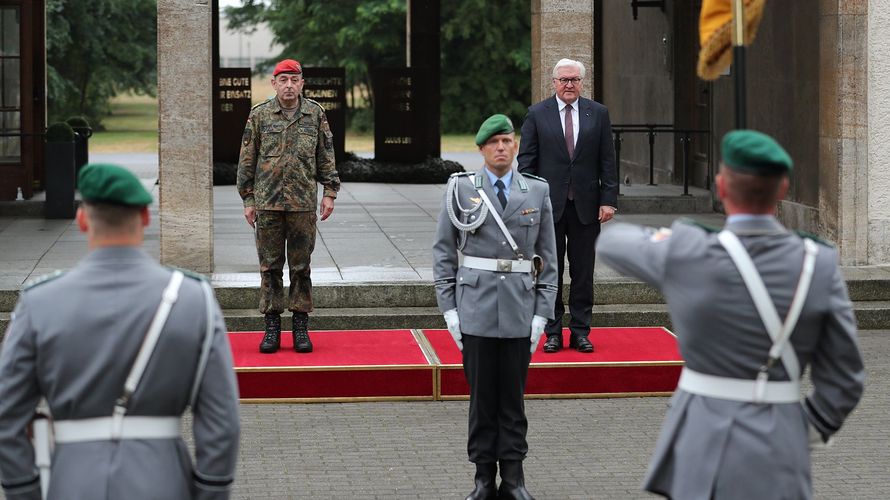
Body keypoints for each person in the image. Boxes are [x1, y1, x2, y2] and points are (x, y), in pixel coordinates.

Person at [597, 130, 865, 499]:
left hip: (702, 436)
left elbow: (611, 241)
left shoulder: (688, 250)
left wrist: (673, 238)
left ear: (721, 187)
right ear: (782, 189)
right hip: (781, 436)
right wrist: (803, 428)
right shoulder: (816, 263)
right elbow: (845, 379)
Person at [0, 163, 241, 500]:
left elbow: (7, 415)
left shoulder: (39, 302)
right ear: (145, 216)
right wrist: (210, 492)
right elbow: (222, 422)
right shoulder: (192, 299)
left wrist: (24, 492)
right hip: (162, 481)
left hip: (71, 481)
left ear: (82, 219)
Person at [433, 114, 558, 500]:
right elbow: (443, 253)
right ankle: (483, 478)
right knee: (482, 399)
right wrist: (450, 309)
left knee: (513, 400)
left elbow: (549, 259)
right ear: (482, 150)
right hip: (477, 308)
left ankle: (515, 479)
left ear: (515, 146)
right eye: (493, 143)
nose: (501, 148)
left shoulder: (536, 191)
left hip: (520, 309)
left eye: (507, 141)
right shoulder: (460, 189)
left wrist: (542, 313)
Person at [237, 58, 341, 354]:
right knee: (270, 267)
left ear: (302, 83)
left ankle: (300, 325)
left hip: (302, 205)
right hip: (268, 204)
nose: (289, 86)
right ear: (274, 83)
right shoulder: (260, 116)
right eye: (283, 80)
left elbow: (326, 155)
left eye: (294, 80)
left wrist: (329, 192)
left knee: (300, 267)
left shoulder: (315, 114)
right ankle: (272, 326)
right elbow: (247, 160)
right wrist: (248, 199)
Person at [517, 58, 618, 353]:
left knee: (583, 272)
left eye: (574, 79)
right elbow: (526, 164)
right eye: (564, 80)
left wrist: (608, 200)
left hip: (587, 207)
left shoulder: (598, 113)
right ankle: (552, 332)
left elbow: (607, 161)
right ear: (553, 83)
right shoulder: (537, 114)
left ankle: (580, 331)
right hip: (548, 207)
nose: (569, 85)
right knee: (549, 271)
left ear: (582, 83)